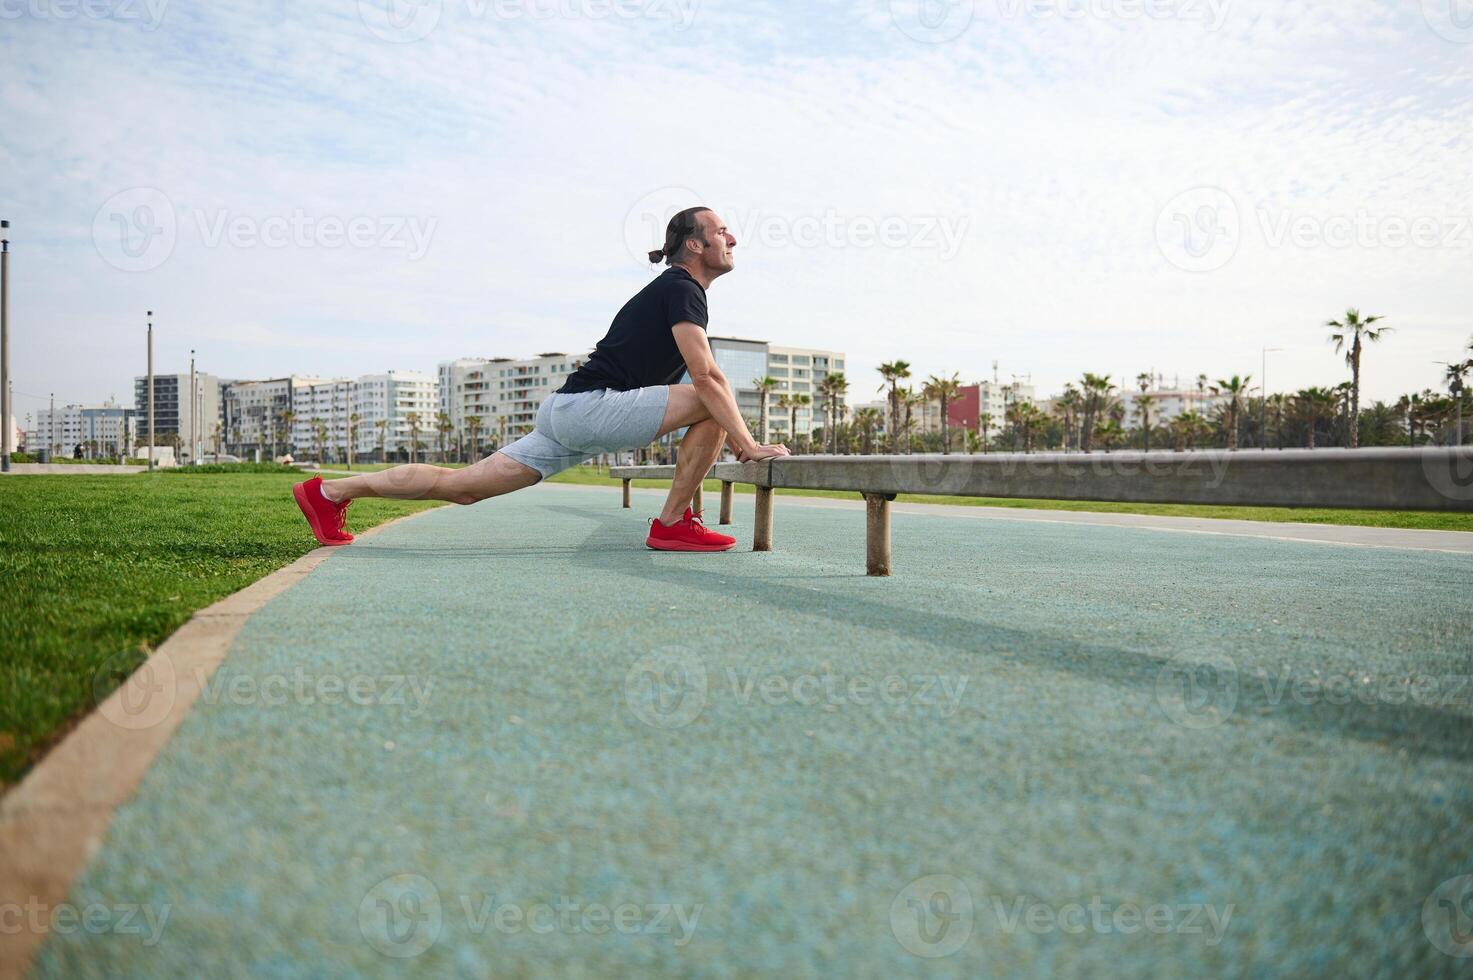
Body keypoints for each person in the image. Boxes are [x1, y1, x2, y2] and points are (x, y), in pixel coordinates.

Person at [292, 206, 790, 552]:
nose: (732, 239)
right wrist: (747, 444)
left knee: (463, 487)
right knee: (711, 397)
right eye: (723, 231)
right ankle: (673, 523)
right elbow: (706, 377)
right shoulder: (683, 288)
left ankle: (330, 492)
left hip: (567, 412)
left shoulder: (675, 289)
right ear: (695, 244)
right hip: (590, 407)